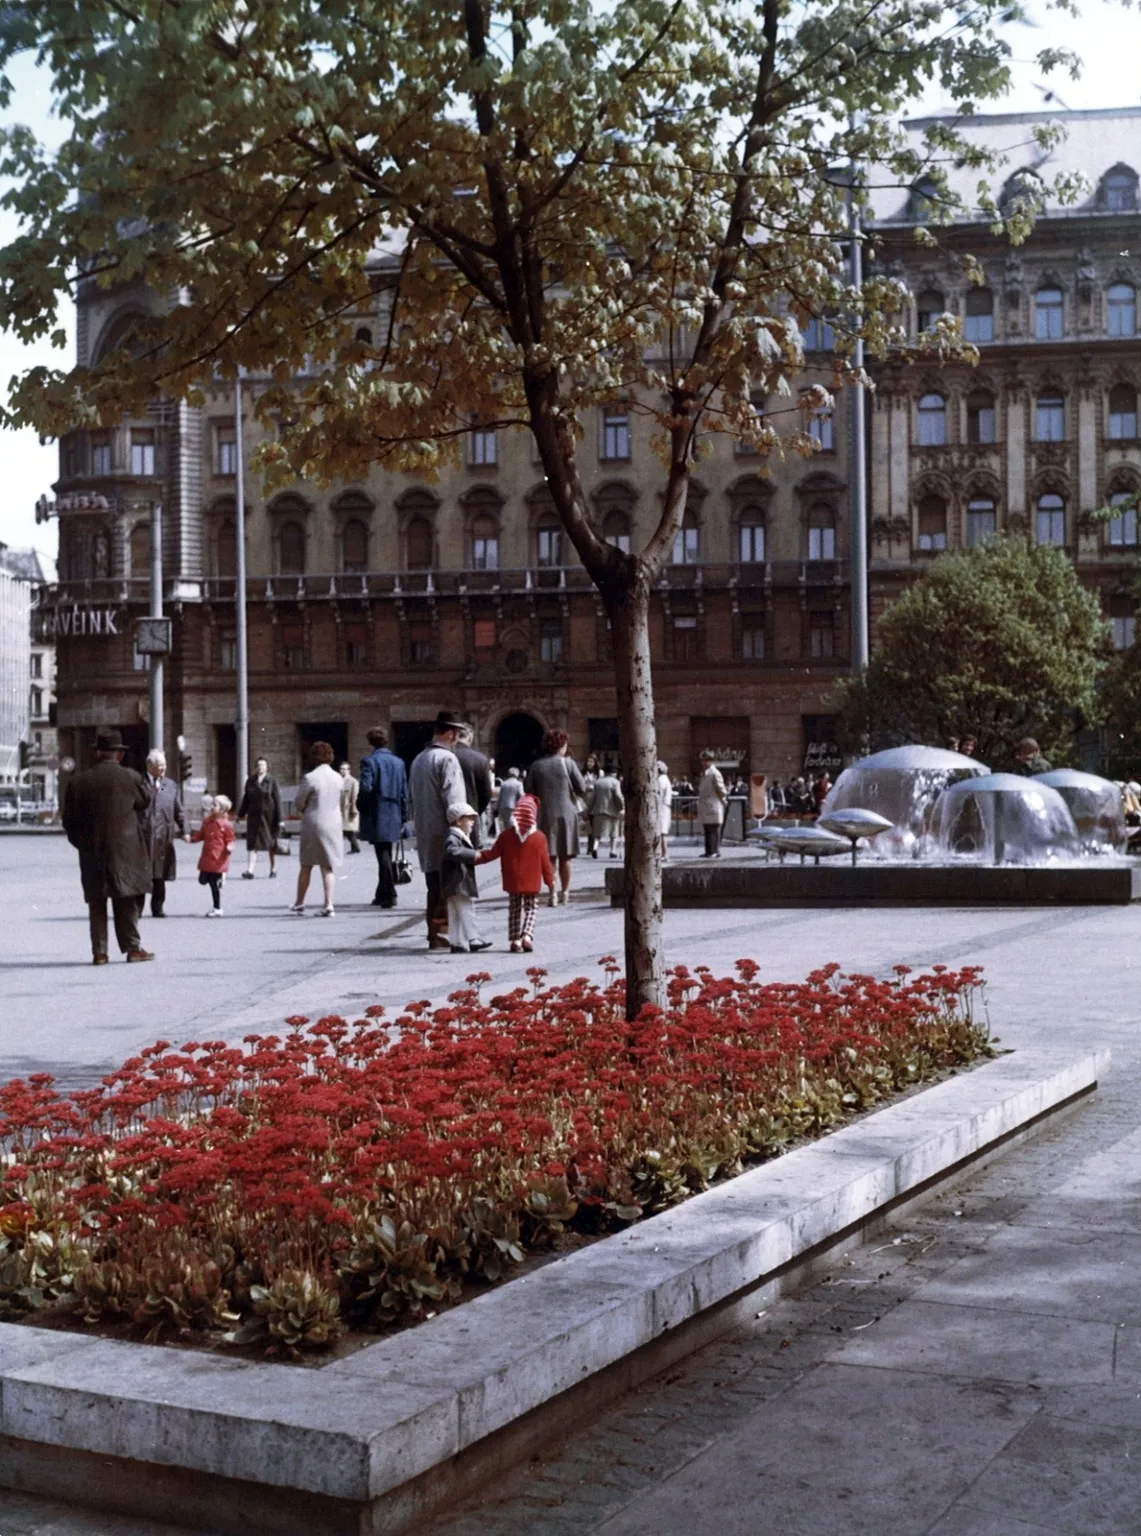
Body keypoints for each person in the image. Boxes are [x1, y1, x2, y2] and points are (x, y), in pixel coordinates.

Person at [61, 726, 154, 964]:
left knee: (96, 902)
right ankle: (133, 949)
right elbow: (145, 802)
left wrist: (83, 844)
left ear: (96, 753)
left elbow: (69, 822)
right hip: (126, 851)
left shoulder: (79, 781)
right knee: (126, 899)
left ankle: (100, 953)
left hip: (92, 852)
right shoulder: (131, 777)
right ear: (119, 754)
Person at [408, 709, 468, 949]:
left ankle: (434, 933)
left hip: (425, 831)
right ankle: (443, 933)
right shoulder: (447, 759)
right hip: (445, 832)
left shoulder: (419, 758)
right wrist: (462, 831)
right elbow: (455, 803)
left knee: (433, 884)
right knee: (449, 884)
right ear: (452, 734)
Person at [478, 793, 556, 952]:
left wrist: (475, 858)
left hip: (512, 880)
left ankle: (514, 940)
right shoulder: (540, 837)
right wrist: (550, 882)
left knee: (514, 909)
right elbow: (546, 863)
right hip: (532, 881)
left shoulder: (506, 835)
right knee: (531, 908)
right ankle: (526, 936)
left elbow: (492, 853)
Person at [525, 729, 587, 905]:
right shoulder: (568, 764)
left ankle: (552, 893)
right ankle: (565, 893)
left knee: (550, 856)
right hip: (567, 814)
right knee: (565, 856)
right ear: (562, 745)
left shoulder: (536, 765)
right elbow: (582, 788)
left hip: (545, 814)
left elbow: (528, 790)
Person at [291, 741, 344, 916]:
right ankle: (329, 904)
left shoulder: (310, 777)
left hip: (313, 824)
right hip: (333, 823)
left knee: (306, 865)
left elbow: (299, 803)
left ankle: (299, 902)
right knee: (328, 866)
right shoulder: (338, 777)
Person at [358, 727, 408, 908]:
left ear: (370, 742)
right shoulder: (398, 762)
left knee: (383, 853)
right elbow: (404, 792)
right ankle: (382, 893)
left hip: (378, 811)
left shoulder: (369, 761)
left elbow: (365, 788)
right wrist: (403, 816)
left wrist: (361, 806)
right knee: (385, 851)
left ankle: (390, 893)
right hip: (394, 811)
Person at [440, 802, 492, 954]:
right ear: (458, 821)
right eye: (469, 818)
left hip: (453, 882)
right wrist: (472, 855)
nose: (472, 822)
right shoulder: (453, 836)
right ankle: (473, 939)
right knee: (467, 909)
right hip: (459, 882)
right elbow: (451, 851)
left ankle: (456, 942)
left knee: (454, 912)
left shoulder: (456, 835)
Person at [143, 748, 186, 917]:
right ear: (149, 765)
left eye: (164, 765)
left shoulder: (170, 785)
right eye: (158, 764)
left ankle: (158, 907)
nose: (162, 768)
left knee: (159, 875)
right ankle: (137, 909)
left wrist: (185, 829)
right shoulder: (140, 783)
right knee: (141, 874)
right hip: (143, 837)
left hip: (163, 837)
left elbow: (179, 810)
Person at [190, 795, 236, 916]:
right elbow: (201, 834)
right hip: (207, 856)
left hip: (218, 858)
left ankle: (217, 908)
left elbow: (231, 839)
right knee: (202, 880)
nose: (211, 807)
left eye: (214, 805)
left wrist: (230, 846)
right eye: (212, 804)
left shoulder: (226, 825)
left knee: (212, 884)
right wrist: (192, 839)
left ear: (222, 809)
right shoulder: (207, 822)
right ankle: (221, 877)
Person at [238, 758, 282, 879]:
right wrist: (240, 814)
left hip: (269, 818)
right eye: (258, 765)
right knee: (252, 843)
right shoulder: (250, 781)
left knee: (271, 843)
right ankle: (250, 870)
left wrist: (280, 819)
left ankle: (273, 868)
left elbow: (278, 800)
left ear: (267, 767)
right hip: (254, 817)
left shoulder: (272, 780)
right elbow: (246, 799)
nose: (260, 767)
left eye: (263, 765)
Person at [455, 725, 494, 848]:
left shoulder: (446, 754)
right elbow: (487, 793)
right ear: (470, 737)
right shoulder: (480, 759)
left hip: (446, 817)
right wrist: (475, 811)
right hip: (470, 815)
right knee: (467, 857)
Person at [697, 750, 728, 858]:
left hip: (713, 804)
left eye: (707, 760)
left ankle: (715, 851)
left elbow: (721, 789)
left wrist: (723, 800)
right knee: (707, 829)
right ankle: (709, 851)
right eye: (703, 760)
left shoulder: (714, 773)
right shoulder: (704, 773)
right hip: (706, 806)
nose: (704, 763)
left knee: (714, 829)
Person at [589, 766, 625, 858]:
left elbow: (592, 798)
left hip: (598, 810)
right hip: (612, 810)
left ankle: (595, 848)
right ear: (613, 773)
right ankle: (612, 851)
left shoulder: (598, 782)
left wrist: (589, 809)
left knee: (597, 833)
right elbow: (618, 795)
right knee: (614, 833)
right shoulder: (615, 782)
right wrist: (622, 806)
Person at [339, 762, 361, 854]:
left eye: (345, 769)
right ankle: (355, 847)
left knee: (349, 830)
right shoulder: (339, 780)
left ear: (349, 770)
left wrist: (354, 809)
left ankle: (355, 847)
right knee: (346, 830)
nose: (342, 771)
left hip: (348, 809)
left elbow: (354, 796)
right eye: (341, 769)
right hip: (340, 809)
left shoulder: (353, 781)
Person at [582, 752, 601, 856]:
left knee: (595, 823)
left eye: (592, 761)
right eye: (588, 761)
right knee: (588, 823)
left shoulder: (599, 773)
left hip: (596, 798)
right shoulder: (583, 773)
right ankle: (590, 847)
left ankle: (593, 846)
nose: (589, 763)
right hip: (586, 799)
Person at [496, 766, 524, 831]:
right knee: (513, 826)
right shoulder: (519, 784)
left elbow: (500, 797)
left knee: (505, 826)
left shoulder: (504, 784)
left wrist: (497, 808)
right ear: (517, 774)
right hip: (513, 807)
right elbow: (521, 796)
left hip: (503, 807)